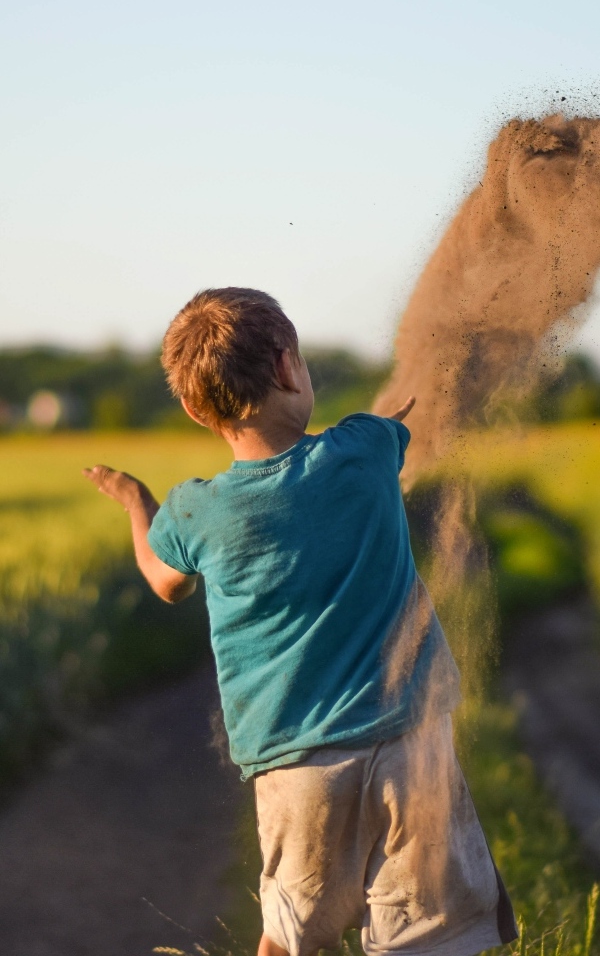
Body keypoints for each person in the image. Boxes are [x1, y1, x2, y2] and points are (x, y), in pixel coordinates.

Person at [83, 287, 517, 956]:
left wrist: (137, 503)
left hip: (297, 766)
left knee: (290, 935)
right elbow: (393, 426)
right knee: (431, 937)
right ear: (288, 366)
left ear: (195, 408)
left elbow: (164, 582)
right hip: (412, 744)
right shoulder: (365, 447)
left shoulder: (194, 513)